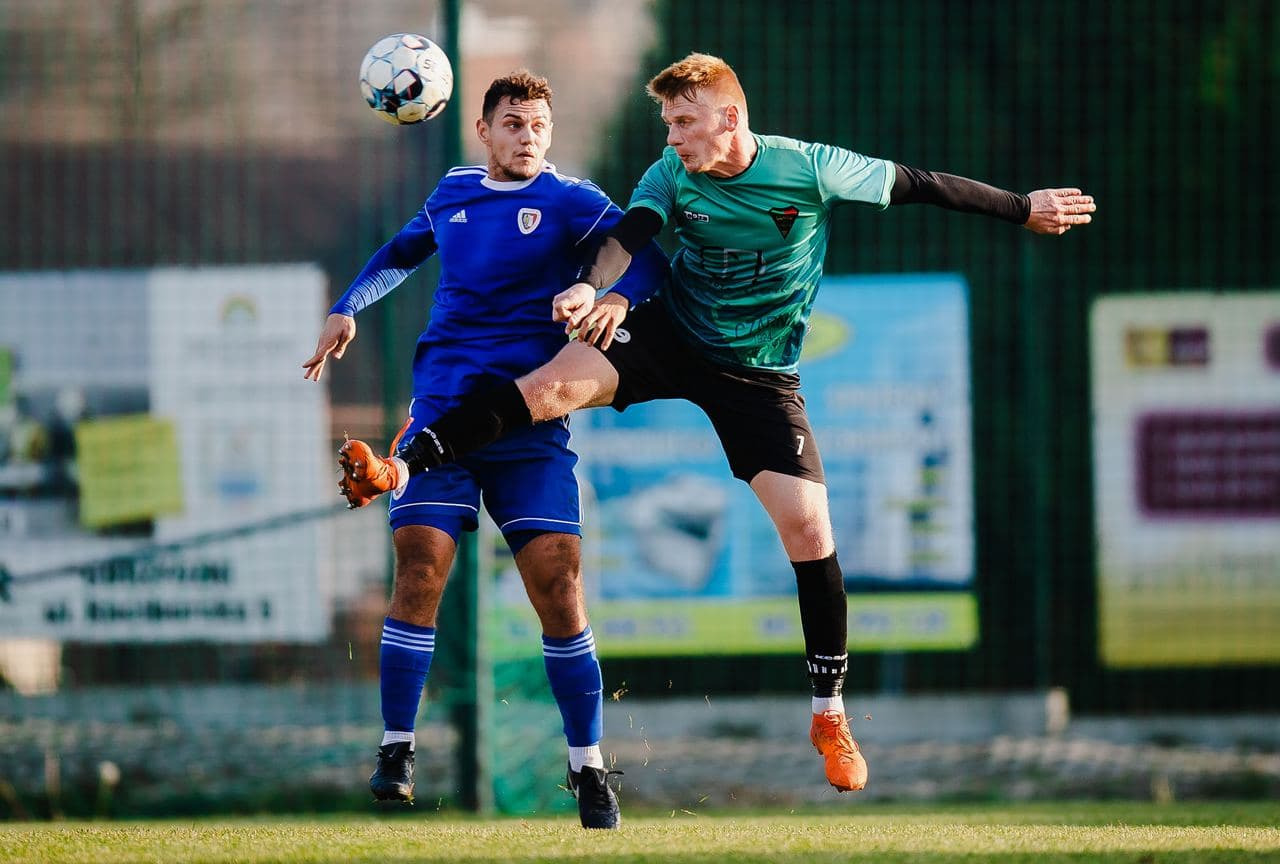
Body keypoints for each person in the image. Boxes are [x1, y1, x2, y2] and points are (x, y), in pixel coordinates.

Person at [337, 53, 1096, 794]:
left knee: (810, 530)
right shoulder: (669, 174)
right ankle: (403, 465)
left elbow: (919, 184)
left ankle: (829, 715)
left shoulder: (810, 168)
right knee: (548, 386)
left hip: (758, 374)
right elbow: (629, 237)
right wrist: (594, 289)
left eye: (685, 123)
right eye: (668, 122)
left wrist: (1021, 206)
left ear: (729, 119)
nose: (671, 137)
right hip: (672, 337)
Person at [304, 70, 665, 829]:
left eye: (538, 126)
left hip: (528, 425)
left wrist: (606, 296)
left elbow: (645, 254)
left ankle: (588, 767)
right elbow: (400, 252)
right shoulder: (454, 192)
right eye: (513, 124)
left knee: (559, 587)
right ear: (484, 131)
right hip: (441, 416)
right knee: (419, 568)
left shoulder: (573, 200)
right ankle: (397, 749)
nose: (527, 138)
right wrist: (347, 307)